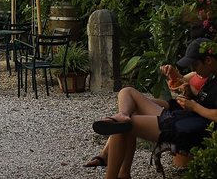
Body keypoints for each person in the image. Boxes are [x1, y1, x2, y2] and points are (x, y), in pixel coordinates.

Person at [91, 38, 217, 179]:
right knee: (126, 92)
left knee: (122, 125)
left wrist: (194, 106)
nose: (193, 69)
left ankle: (116, 172)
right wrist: (190, 94)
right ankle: (123, 116)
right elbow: (207, 99)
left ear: (208, 60)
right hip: (184, 115)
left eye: (195, 64)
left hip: (191, 126)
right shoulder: (212, 77)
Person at [83, 66, 207, 168]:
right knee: (129, 104)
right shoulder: (198, 72)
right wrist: (175, 76)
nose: (193, 64)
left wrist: (191, 92)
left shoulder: (211, 76)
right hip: (177, 105)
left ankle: (108, 156)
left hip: (182, 112)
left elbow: (203, 98)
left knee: (128, 108)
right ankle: (120, 169)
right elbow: (181, 81)